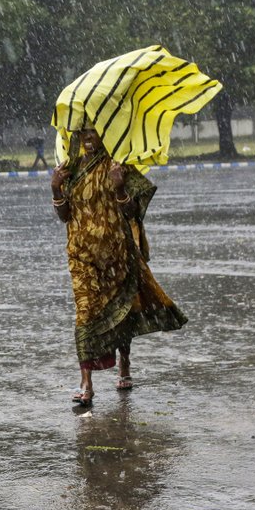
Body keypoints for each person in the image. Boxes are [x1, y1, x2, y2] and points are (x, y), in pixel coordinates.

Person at [50, 125, 187, 405]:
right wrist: (55, 187)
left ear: (105, 132)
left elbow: (133, 211)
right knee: (85, 313)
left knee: (121, 310)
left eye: (92, 132)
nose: (87, 139)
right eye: (82, 134)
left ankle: (124, 362)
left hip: (117, 253)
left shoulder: (117, 163)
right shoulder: (71, 168)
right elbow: (65, 216)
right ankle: (86, 383)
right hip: (81, 255)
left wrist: (120, 186)